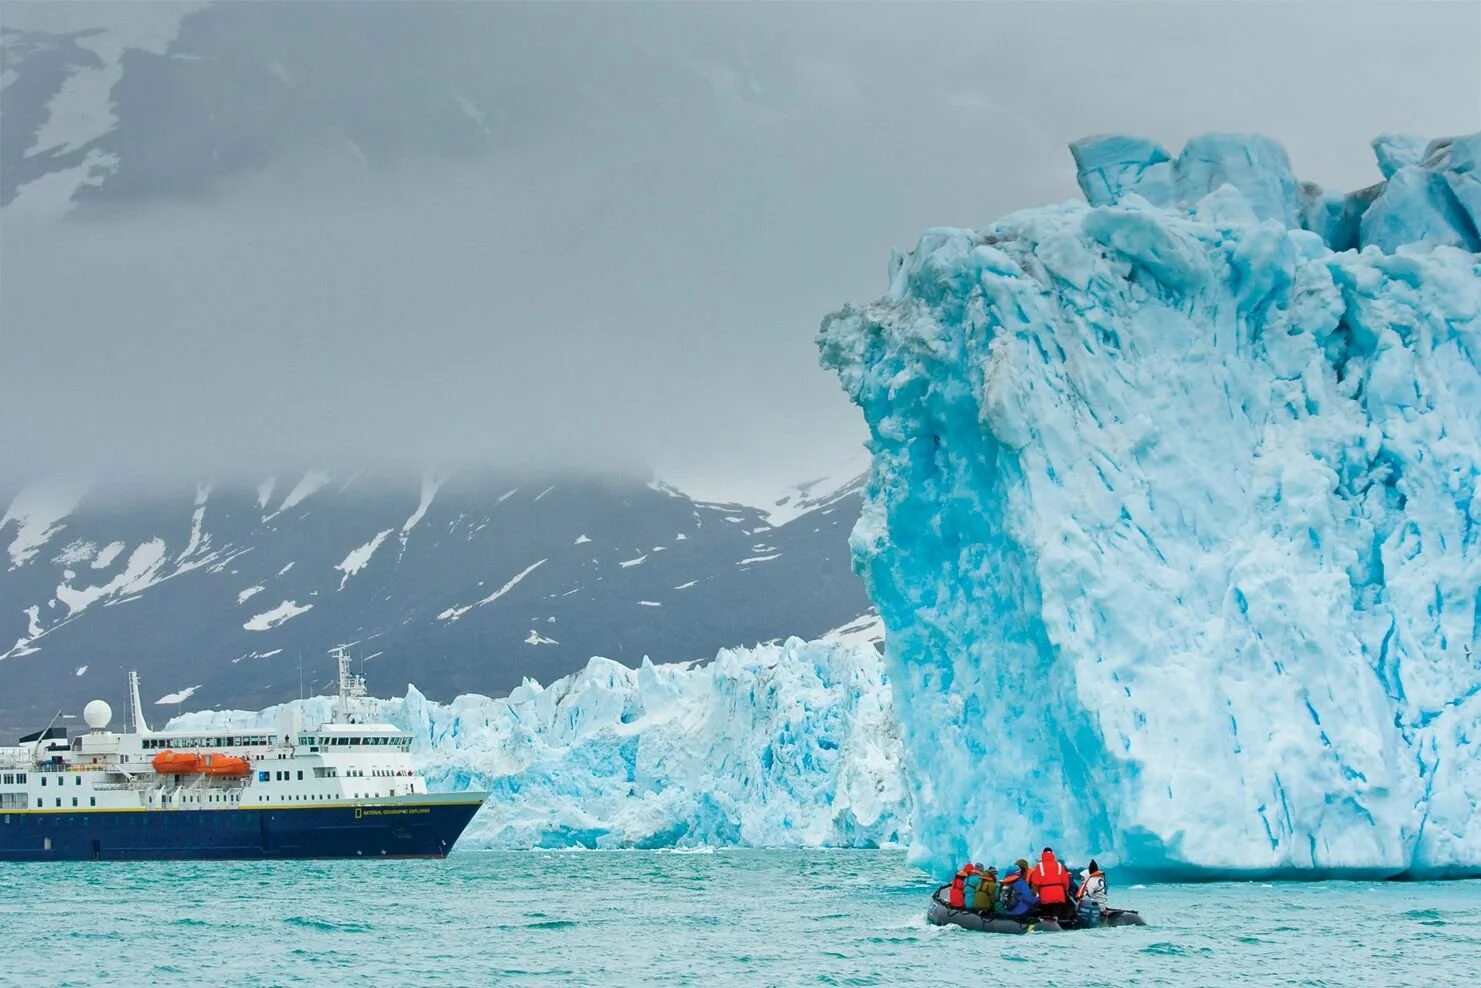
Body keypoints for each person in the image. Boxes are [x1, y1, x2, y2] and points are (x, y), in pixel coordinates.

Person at [1028, 847, 1073, 919]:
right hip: (1059, 895)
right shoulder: (1059, 865)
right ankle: (1059, 922)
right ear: (1053, 854)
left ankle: (1048, 924)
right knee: (1057, 914)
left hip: (1045, 896)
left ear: (1042, 854)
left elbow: (1035, 881)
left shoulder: (1039, 866)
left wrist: (1036, 891)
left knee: (1047, 915)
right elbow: (1065, 880)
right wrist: (1065, 890)